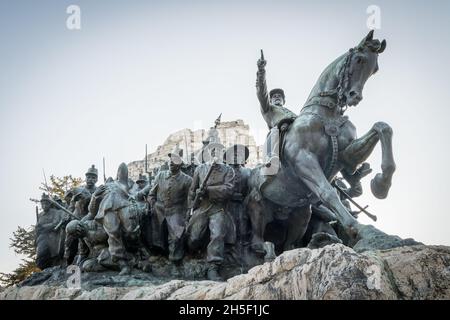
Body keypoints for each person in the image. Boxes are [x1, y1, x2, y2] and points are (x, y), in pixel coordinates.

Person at [186, 143, 235, 281]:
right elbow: (192, 190)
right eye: (212, 150)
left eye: (218, 150)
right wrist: (191, 206)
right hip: (201, 207)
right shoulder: (200, 169)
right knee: (194, 236)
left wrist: (210, 190)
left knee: (217, 234)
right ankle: (194, 253)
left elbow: (229, 189)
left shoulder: (228, 170)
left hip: (218, 208)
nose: (215, 152)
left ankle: (213, 266)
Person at [147, 147, 192, 273]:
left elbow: (190, 199)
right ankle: (159, 255)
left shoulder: (187, 180)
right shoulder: (160, 175)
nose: (171, 162)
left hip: (176, 211)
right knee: (156, 234)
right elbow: (152, 193)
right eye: (171, 160)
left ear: (180, 164)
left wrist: (188, 213)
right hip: (160, 209)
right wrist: (152, 203)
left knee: (176, 237)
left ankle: (174, 261)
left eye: (175, 160)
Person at [35, 193, 66, 269]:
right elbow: (38, 226)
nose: (45, 206)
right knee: (40, 255)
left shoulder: (56, 212)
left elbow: (55, 223)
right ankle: (44, 269)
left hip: (53, 236)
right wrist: (37, 228)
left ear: (50, 204)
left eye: (46, 204)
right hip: (42, 237)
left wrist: (43, 227)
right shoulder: (40, 215)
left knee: (53, 255)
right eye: (43, 204)